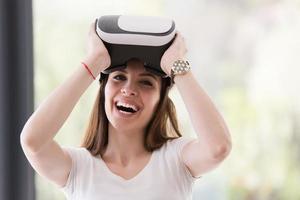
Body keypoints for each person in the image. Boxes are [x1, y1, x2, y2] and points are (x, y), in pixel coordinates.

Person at [20, 21, 232, 200]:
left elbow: (218, 148)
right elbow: (33, 142)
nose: (129, 90)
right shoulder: (78, 167)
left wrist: (178, 66)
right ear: (103, 90)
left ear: (161, 99)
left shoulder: (176, 159)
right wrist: (94, 62)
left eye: (146, 83)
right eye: (119, 77)